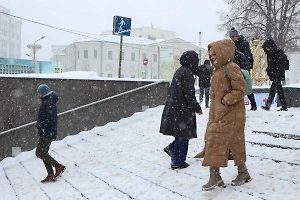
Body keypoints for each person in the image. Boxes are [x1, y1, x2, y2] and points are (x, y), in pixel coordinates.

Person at [199, 39, 251, 191]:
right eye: (210, 55)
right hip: (220, 115)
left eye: (214, 54)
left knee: (217, 141)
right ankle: (241, 172)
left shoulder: (231, 67)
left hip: (232, 115)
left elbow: (241, 89)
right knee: (227, 143)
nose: (212, 57)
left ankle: (217, 176)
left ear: (223, 52)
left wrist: (225, 100)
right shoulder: (217, 70)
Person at [160, 50, 203, 169]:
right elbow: (189, 93)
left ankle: (173, 149)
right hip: (182, 109)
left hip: (176, 107)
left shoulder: (180, 71)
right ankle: (178, 161)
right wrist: (196, 107)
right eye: (196, 60)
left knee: (180, 133)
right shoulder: (188, 73)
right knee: (183, 135)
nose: (197, 62)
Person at [35, 84, 66, 182]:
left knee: (39, 152)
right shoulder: (47, 102)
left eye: (39, 93)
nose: (38, 95)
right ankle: (50, 173)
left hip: (47, 132)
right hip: (46, 132)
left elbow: (51, 118)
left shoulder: (49, 103)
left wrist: (42, 125)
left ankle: (58, 166)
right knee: (44, 152)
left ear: (43, 93)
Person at [230, 27, 257, 111]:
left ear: (236, 36)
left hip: (243, 67)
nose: (232, 38)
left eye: (232, 37)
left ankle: (253, 104)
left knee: (246, 87)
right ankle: (248, 105)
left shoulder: (243, 44)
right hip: (238, 67)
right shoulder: (235, 45)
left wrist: (245, 67)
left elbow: (247, 56)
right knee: (241, 87)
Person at [261, 39, 289, 111]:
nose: (266, 49)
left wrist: (272, 70)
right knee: (279, 90)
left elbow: (279, 64)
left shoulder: (276, 53)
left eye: (267, 47)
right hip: (276, 74)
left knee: (273, 90)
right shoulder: (272, 53)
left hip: (277, 74)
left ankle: (268, 105)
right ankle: (284, 106)